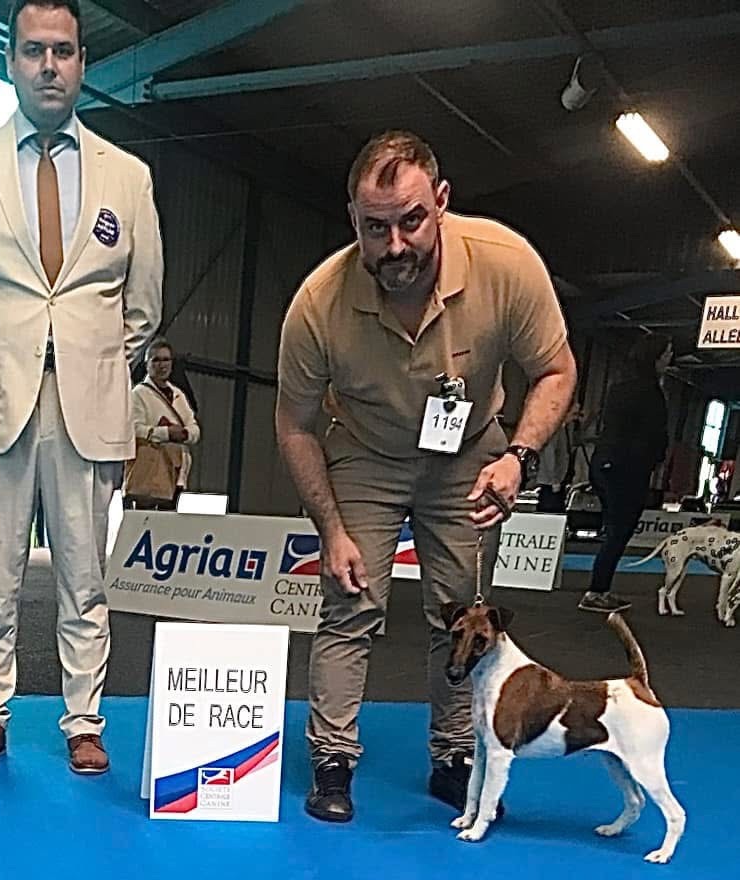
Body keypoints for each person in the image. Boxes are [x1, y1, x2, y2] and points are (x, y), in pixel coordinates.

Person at [275, 130, 576, 823]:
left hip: (469, 452)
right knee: (349, 603)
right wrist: (331, 529)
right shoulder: (318, 302)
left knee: (460, 613)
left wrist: (518, 457)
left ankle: (454, 755)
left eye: (411, 221)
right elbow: (294, 425)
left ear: (441, 201)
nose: (395, 246)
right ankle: (332, 758)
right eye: (374, 228)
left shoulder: (506, 264)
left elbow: (556, 370)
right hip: (366, 453)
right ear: (353, 219)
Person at [0, 0, 163, 774]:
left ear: (84, 63)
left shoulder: (130, 177)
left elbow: (143, 308)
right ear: (11, 62)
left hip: (87, 401)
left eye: (63, 50)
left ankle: (84, 721)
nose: (49, 65)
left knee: (84, 577)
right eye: (34, 51)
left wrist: (87, 362)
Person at [578, 335, 673, 613]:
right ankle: (596, 591)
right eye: (667, 353)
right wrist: (655, 460)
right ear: (656, 357)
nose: (670, 358)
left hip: (605, 464)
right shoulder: (651, 392)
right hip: (627, 469)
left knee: (615, 530)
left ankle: (600, 588)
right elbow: (653, 435)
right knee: (619, 531)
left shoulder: (618, 387)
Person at [125, 338, 200, 510]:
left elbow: (194, 428)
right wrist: (166, 433)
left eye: (166, 360)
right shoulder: (138, 394)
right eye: (156, 360)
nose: (162, 365)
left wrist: (185, 434)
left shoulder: (178, 395)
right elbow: (134, 429)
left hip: (177, 470)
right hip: (150, 472)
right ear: (147, 364)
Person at [535, 402, 580, 513]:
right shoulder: (554, 430)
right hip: (551, 482)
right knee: (550, 509)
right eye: (574, 414)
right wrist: (554, 480)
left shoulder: (563, 429)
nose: (575, 418)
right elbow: (549, 456)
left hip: (558, 480)